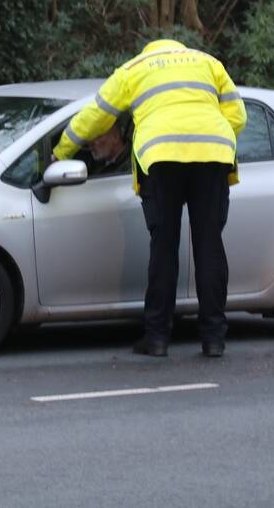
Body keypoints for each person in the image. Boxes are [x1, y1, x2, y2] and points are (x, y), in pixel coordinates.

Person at [53, 39, 246, 358]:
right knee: (209, 246)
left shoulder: (133, 69)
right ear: (179, 48)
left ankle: (157, 337)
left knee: (164, 248)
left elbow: (96, 116)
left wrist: (61, 152)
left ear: (148, 50)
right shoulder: (208, 62)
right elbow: (238, 116)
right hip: (213, 157)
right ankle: (214, 338)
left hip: (160, 158)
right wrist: (209, 138)